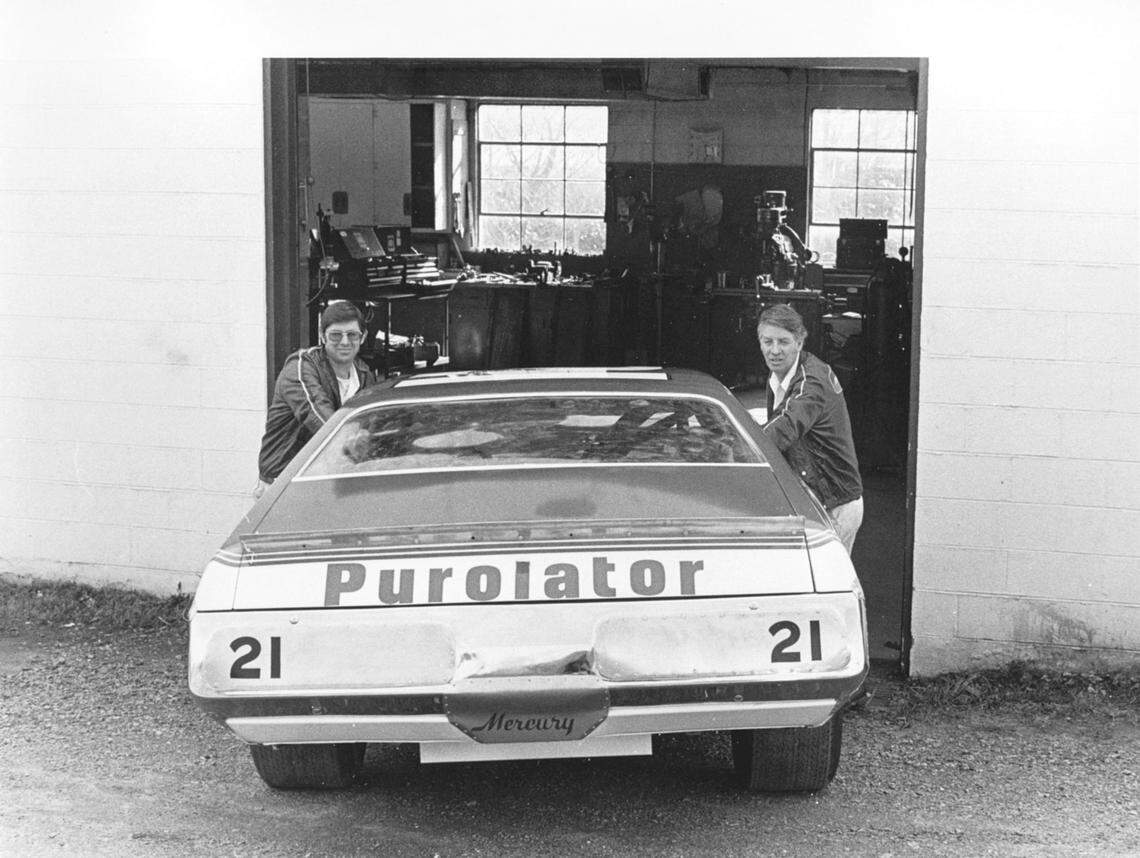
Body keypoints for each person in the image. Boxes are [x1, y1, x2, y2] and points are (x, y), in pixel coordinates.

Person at [756, 304, 863, 553]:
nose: (774, 351)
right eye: (767, 341)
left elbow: (782, 430)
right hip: (819, 500)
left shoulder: (810, 383)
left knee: (830, 588)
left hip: (835, 506)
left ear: (800, 342)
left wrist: (735, 449)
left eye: (783, 342)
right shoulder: (780, 376)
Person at [255, 302, 377, 495]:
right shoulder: (301, 366)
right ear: (322, 336)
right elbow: (316, 413)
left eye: (352, 335)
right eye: (336, 335)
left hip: (326, 478)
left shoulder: (364, 374)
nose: (345, 342)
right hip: (282, 482)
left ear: (363, 338)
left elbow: (372, 424)